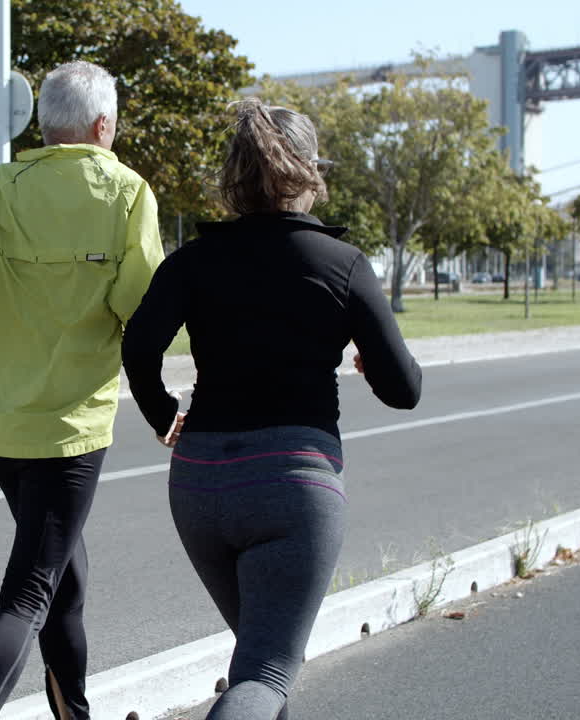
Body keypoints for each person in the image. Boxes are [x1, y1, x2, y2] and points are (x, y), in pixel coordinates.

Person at [120, 99, 422, 720]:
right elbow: (403, 388)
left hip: (200, 482)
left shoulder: (194, 261)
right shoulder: (342, 265)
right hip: (292, 482)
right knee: (267, 671)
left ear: (234, 175)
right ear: (311, 171)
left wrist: (162, 412)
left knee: (256, 662)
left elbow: (138, 344)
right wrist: (370, 362)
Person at [0, 60, 164, 720]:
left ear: (44, 123)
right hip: (70, 429)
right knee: (29, 593)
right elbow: (142, 303)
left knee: (64, 577)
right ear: (103, 124)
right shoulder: (128, 193)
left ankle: (74, 715)